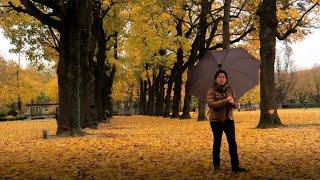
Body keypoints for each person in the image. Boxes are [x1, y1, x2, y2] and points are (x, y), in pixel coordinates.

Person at [206, 70, 247, 173]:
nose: (222, 79)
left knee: (232, 142)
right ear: (216, 79)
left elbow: (235, 105)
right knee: (217, 142)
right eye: (220, 77)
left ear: (226, 79)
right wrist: (226, 100)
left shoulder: (229, 90)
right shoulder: (211, 90)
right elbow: (211, 105)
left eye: (224, 77)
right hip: (216, 120)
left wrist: (233, 103)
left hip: (229, 119)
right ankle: (216, 165)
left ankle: (235, 166)